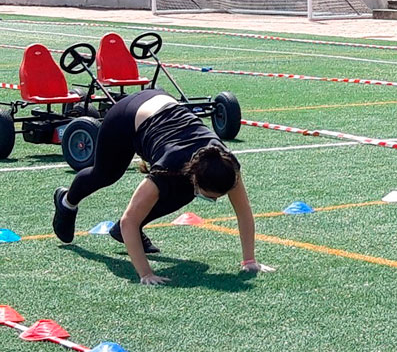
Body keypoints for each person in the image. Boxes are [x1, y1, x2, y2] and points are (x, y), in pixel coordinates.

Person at [52, 89, 272, 285]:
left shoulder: (226, 163)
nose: (214, 201)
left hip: (161, 108)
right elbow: (130, 219)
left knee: (183, 192)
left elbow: (243, 212)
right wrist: (146, 273)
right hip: (127, 116)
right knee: (105, 175)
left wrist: (249, 260)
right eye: (210, 196)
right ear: (195, 177)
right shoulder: (169, 166)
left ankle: (120, 232)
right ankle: (67, 202)